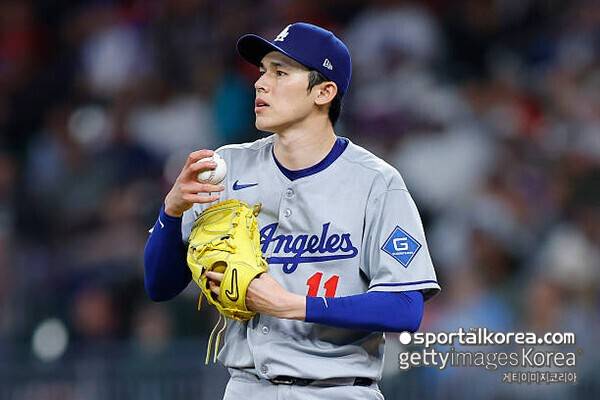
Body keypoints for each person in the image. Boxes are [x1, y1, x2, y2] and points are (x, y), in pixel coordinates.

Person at [144, 22, 440, 400]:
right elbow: (159, 285)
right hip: (246, 388)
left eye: (280, 72)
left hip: (338, 390)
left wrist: (291, 305)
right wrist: (171, 211)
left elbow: (405, 308)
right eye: (262, 71)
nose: (260, 83)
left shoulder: (375, 183)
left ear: (324, 92)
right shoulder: (227, 167)